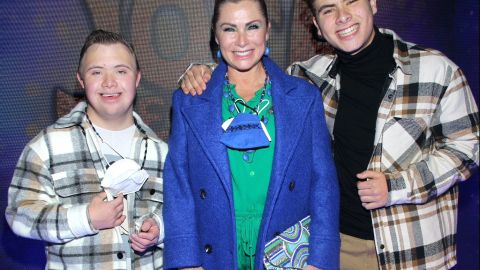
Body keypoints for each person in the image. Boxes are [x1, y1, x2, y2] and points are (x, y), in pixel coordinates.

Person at [178, 0, 480, 269]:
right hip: (339, 244)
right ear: (316, 25)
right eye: (328, 9)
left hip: (412, 247)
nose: (342, 16)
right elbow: (249, 72)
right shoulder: (309, 77)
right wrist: (202, 74)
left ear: (373, 3)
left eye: (351, 2)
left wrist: (397, 185)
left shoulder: (436, 69)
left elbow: (468, 148)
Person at [163, 0, 340, 269]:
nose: (242, 40)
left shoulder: (304, 97)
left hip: (288, 251)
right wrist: (187, 261)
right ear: (215, 34)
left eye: (252, 26)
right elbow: (179, 186)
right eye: (230, 29)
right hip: (216, 249)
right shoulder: (189, 100)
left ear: (267, 30)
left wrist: (320, 260)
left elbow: (323, 184)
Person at [5, 29, 167, 269]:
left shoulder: (162, 153)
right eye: (97, 72)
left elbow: (185, 215)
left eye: (121, 71)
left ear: (137, 78)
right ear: (81, 80)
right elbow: (19, 214)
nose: (109, 82)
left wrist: (159, 230)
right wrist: (85, 218)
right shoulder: (47, 146)